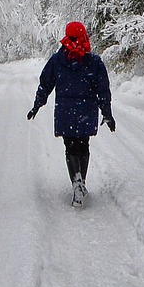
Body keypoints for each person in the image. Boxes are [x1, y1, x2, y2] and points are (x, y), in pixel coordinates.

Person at [27, 21, 114, 206]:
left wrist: (37, 104)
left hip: (66, 111)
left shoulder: (57, 60)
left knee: (70, 146)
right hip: (86, 110)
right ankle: (81, 181)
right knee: (83, 145)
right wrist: (107, 113)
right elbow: (103, 90)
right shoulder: (94, 62)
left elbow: (45, 84)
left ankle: (76, 181)